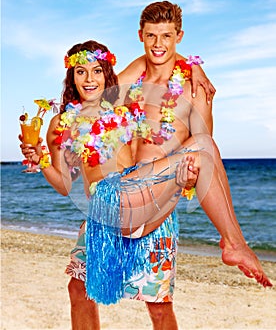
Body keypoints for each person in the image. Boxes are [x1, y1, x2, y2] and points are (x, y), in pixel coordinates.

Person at [64, 1, 272, 330]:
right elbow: (94, 96)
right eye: (151, 36)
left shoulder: (195, 90)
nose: (158, 44)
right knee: (79, 288)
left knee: (159, 307)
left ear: (179, 36)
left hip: (158, 201)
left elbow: (205, 161)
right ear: (141, 36)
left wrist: (187, 181)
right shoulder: (134, 74)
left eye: (166, 36)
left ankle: (234, 243)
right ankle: (233, 243)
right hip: (119, 194)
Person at [20, 39, 215, 329]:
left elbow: (151, 58)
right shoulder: (60, 123)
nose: (90, 79)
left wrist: (195, 67)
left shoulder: (121, 104)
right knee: (79, 289)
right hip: (100, 216)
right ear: (71, 77)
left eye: (97, 71)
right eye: (81, 71)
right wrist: (42, 159)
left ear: (107, 73)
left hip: (144, 206)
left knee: (158, 304)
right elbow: (63, 184)